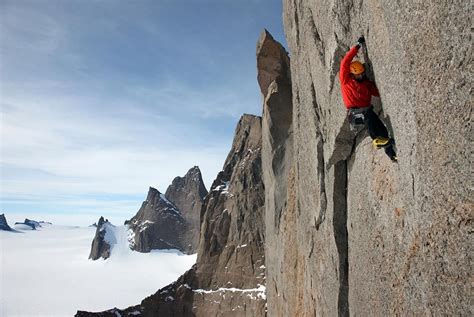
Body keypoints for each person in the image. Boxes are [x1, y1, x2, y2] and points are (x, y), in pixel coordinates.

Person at [339, 36, 397, 162]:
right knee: (368, 115)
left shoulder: (366, 85)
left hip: (367, 112)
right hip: (355, 113)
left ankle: (392, 154)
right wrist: (357, 46)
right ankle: (376, 139)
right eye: (357, 74)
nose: (360, 75)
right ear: (352, 74)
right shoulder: (346, 80)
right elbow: (345, 62)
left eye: (361, 73)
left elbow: (378, 92)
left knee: (382, 130)